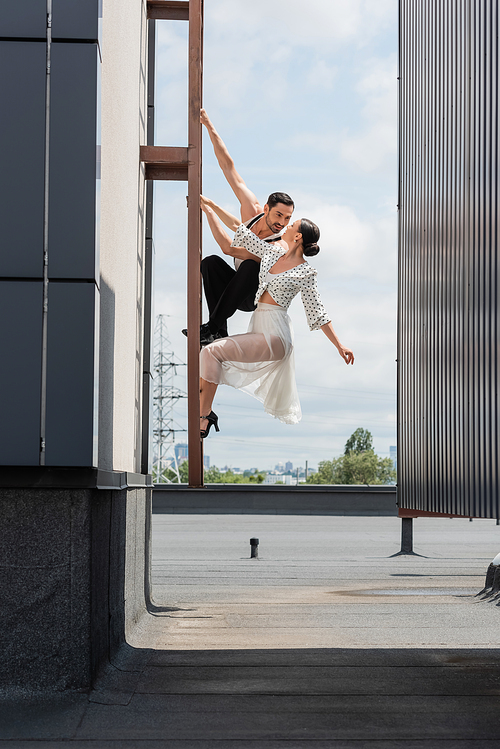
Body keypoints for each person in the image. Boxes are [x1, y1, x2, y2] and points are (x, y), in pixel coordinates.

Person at [198, 204, 355, 438]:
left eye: (291, 224)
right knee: (211, 353)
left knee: (211, 353)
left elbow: (318, 313)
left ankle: (202, 416)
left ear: (298, 235)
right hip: (258, 329)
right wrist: (209, 209)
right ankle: (205, 413)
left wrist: (339, 345)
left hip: (275, 337)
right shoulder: (271, 253)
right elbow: (238, 228)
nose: (286, 225)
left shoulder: (305, 273)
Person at [185, 109, 295, 347]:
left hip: (251, 296)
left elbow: (229, 247)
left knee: (248, 267)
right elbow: (228, 167)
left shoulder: (278, 244)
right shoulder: (252, 212)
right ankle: (219, 331)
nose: (282, 222)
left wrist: (209, 210)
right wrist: (208, 126)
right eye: (278, 215)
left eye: (287, 219)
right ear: (265, 208)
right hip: (233, 285)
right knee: (210, 264)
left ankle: (212, 326)